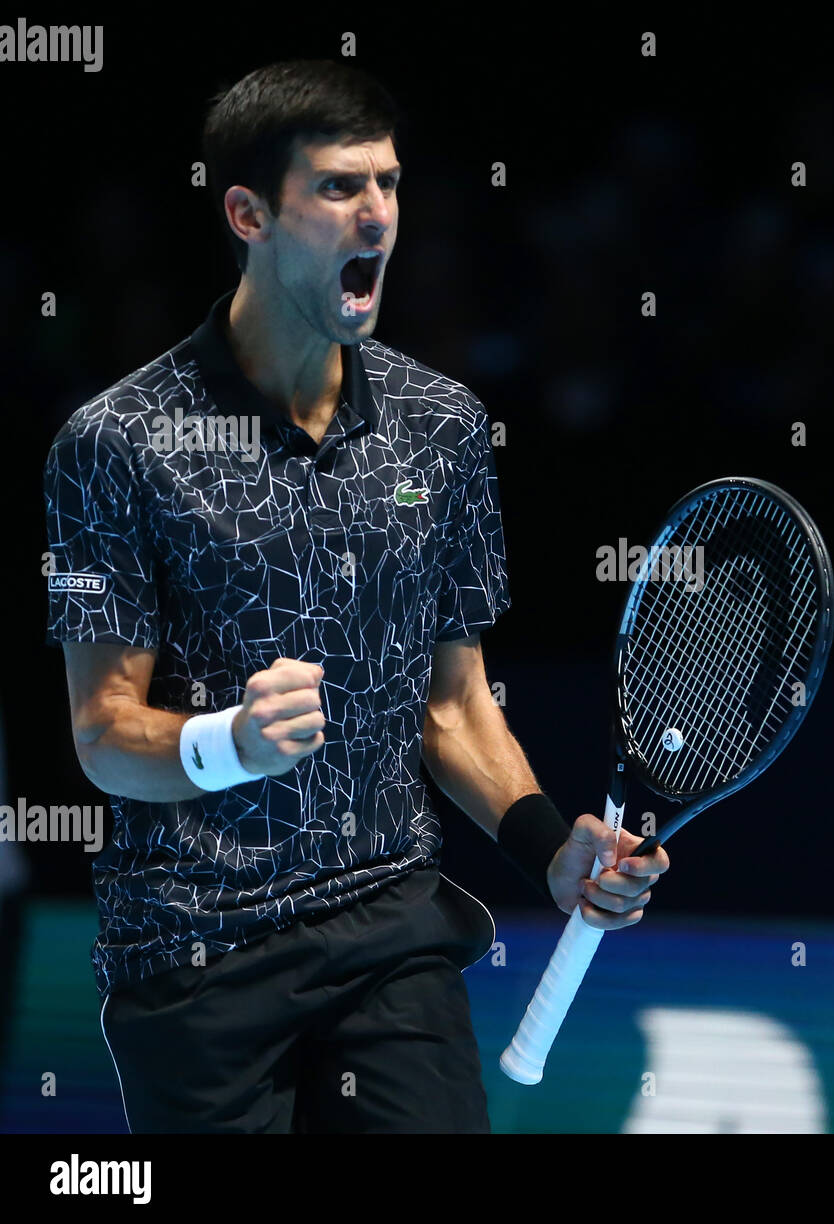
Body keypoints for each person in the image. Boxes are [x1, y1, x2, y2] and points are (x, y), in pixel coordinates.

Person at [42, 58, 668, 1134]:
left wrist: (545, 849)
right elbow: (101, 736)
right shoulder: (114, 445)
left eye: (387, 183)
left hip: (389, 938)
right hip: (195, 957)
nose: (376, 213)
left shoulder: (446, 427)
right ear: (248, 213)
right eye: (337, 187)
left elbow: (454, 707)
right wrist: (229, 742)